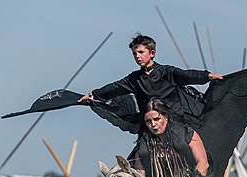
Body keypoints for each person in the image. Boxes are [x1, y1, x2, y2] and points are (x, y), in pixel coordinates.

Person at [79, 33, 223, 117]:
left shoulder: (167, 72)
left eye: (141, 52)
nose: (137, 56)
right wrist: (93, 95)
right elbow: (113, 88)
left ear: (152, 53)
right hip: (149, 125)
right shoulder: (134, 79)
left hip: (174, 123)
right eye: (134, 54)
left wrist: (208, 76)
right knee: (135, 160)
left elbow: (187, 75)